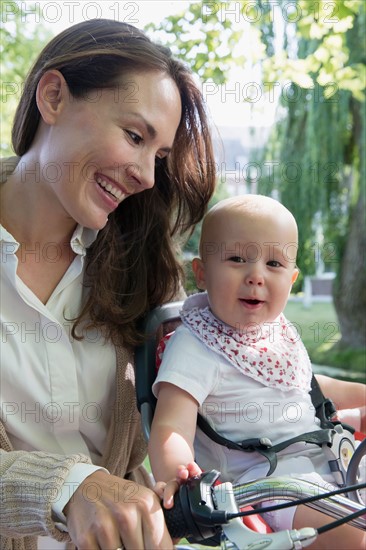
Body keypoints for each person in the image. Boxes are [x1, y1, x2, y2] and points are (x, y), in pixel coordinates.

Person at [0, 18, 216, 550]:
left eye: (159, 156)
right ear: (53, 97)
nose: (146, 174)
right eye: (135, 136)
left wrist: (320, 406)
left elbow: (205, 375)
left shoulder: (146, 263)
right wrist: (69, 488)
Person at [149, 195, 366, 550]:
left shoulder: (276, 333)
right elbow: (172, 423)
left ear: (292, 279)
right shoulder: (194, 346)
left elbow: (308, 386)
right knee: (354, 537)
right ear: (201, 273)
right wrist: (179, 474)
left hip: (330, 457)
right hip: (271, 483)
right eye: (237, 259)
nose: (256, 276)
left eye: (274, 264)